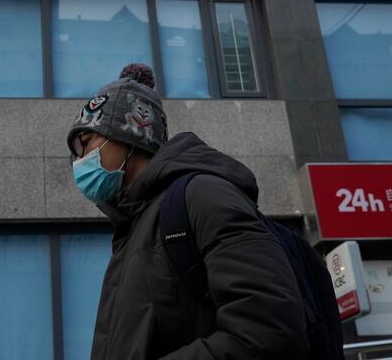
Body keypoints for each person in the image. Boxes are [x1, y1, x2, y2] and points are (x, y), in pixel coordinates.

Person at [67, 63, 309, 360]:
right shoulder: (133, 228)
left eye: (85, 143)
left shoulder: (201, 195)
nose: (78, 160)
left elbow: (270, 330)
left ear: (125, 134)